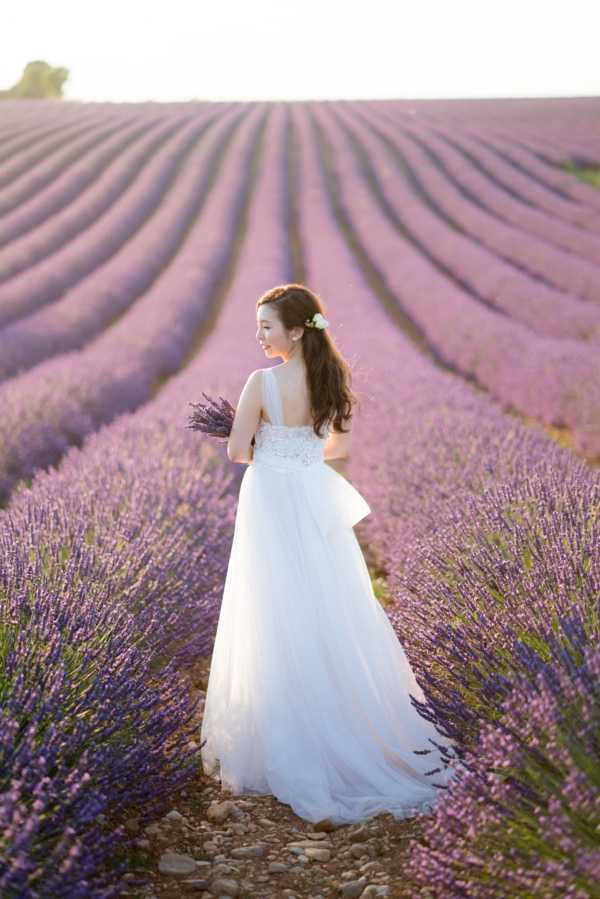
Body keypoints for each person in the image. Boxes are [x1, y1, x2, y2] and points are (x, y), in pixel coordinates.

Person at [199, 283, 457, 825]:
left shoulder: (261, 381)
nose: (259, 334)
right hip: (313, 496)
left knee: (272, 607)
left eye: (266, 325)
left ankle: (286, 736)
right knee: (331, 604)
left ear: (295, 330)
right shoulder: (329, 378)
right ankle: (352, 725)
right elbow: (333, 446)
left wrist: (262, 434)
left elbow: (237, 450)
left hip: (270, 497)